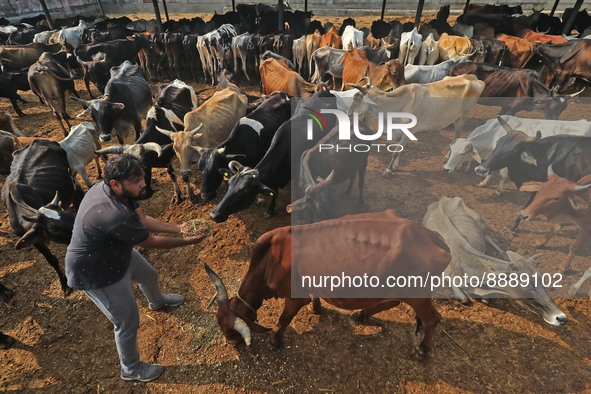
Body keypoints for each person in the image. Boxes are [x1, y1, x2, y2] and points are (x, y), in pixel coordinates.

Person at [65, 154, 204, 382]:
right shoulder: (114, 214)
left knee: (149, 275)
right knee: (127, 321)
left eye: (142, 177)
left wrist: (180, 228)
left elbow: (142, 218)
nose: (143, 184)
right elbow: (148, 241)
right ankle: (130, 368)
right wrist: (186, 241)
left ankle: (157, 302)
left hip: (116, 251)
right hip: (96, 271)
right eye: (136, 181)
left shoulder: (119, 191)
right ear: (115, 184)